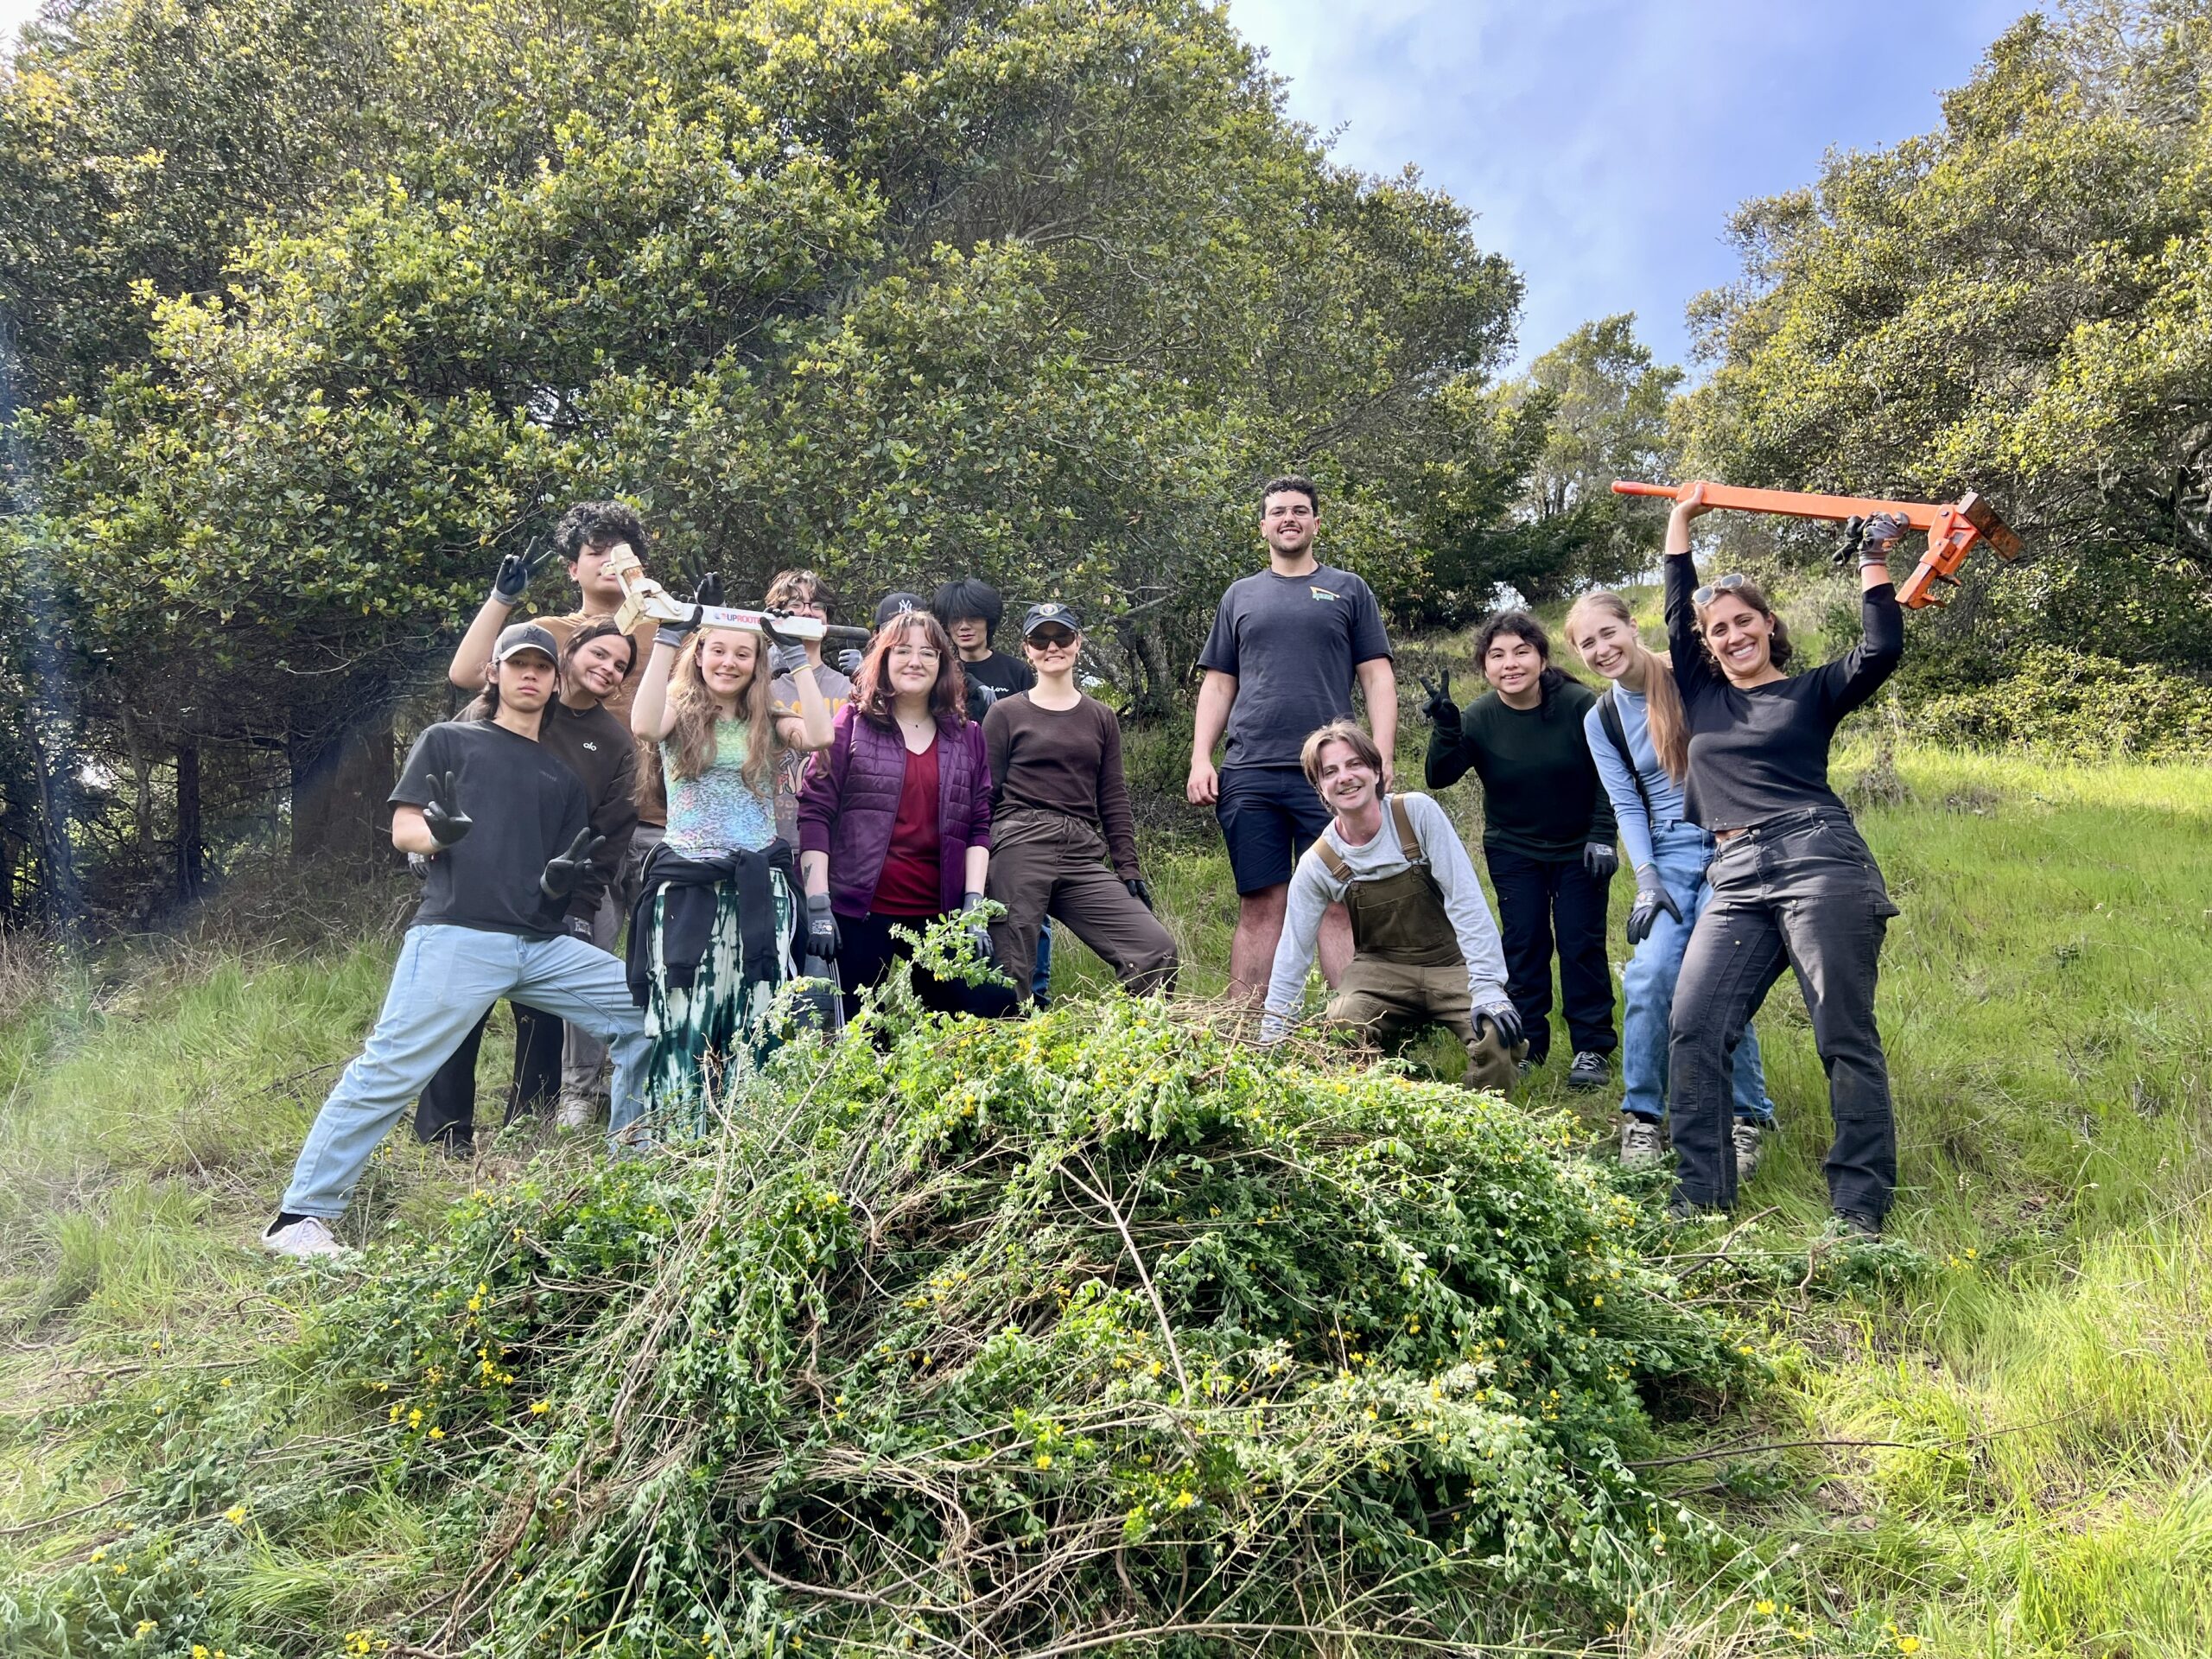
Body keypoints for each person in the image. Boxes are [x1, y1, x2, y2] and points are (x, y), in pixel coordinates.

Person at [262, 623, 649, 1258]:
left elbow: (564, 868)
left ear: (556, 682)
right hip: (458, 936)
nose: (530, 675)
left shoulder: (560, 780)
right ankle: (300, 1219)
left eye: (541, 668)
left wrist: (560, 886)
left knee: (648, 1014)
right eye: (517, 664)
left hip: (542, 943)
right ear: (494, 673)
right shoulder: (448, 741)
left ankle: (633, 1172)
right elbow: (406, 830)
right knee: (390, 1068)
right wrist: (438, 836)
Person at [1661, 486, 1907, 1235]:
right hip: (1732, 875)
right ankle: (1700, 1201)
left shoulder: (1811, 693)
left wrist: (1873, 559)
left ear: (1769, 625)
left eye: (1744, 621)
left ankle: (1860, 1207)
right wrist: (1681, 517)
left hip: (1817, 858)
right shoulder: (1700, 694)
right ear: (1706, 644)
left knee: (1842, 1032)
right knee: (1693, 1026)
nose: (1732, 636)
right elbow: (1676, 603)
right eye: (1719, 629)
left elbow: (1880, 650)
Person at [447, 502, 667, 1129]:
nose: (611, 560)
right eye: (597, 551)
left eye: (623, 549)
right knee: (584, 949)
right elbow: (467, 674)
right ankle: (579, 1091)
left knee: (658, 957)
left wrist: (648, 592)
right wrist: (501, 602)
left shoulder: (666, 624)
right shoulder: (554, 631)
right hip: (576, 825)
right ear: (573, 567)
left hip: (659, 819)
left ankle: (658, 1077)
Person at [1563, 591, 1776, 1172]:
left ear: (1634, 626)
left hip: (1735, 839)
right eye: (1588, 643)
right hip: (1671, 853)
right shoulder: (1601, 718)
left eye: (1609, 633)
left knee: (1716, 975)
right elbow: (1627, 804)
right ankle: (1643, 1118)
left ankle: (1746, 1117)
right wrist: (1648, 879)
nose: (1603, 649)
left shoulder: (1693, 673)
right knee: (1651, 976)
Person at [414, 620, 641, 1152]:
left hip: (554, 888)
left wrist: (581, 904)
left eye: (620, 666)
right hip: (475, 876)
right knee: (459, 1008)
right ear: (570, 655)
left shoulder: (614, 742)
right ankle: (445, 1133)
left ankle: (527, 1127)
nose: (607, 668)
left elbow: (610, 832)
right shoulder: (516, 706)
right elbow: (448, 781)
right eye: (599, 654)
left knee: (542, 1015)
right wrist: (430, 848)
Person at [1188, 475, 1396, 1003]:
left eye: (1300, 510)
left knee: (1336, 901)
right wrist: (1200, 757)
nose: (1289, 518)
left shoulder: (1350, 590)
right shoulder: (1240, 596)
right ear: (1263, 526)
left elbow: (1376, 676)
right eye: (1278, 511)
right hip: (1250, 770)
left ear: (1316, 523)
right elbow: (1218, 683)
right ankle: (1241, 1042)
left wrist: (1382, 755)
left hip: (1332, 775)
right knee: (1261, 903)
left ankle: (1355, 1038)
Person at [627, 603, 831, 1132]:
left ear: (758, 664)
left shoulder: (770, 719)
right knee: (686, 1014)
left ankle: (748, 1137)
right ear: (699, 656)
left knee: (758, 1014)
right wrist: (668, 638)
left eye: (743, 654)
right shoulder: (678, 708)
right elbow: (644, 724)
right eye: (716, 650)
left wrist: (798, 659)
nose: (728, 662)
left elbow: (822, 734)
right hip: (688, 885)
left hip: (758, 886)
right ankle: (682, 1138)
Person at [1261, 721, 1524, 1090]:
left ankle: (1476, 1119)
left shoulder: (1416, 814)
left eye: (1354, 765)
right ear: (1320, 788)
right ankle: (1381, 1104)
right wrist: (1272, 1038)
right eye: (1330, 772)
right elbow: (1293, 953)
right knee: (1340, 1025)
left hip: (1451, 964)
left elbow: (1467, 902)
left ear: (1376, 770)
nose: (1345, 778)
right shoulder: (1319, 861)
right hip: (1378, 974)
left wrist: (1488, 987)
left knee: (1495, 1032)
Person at [1421, 611, 1618, 1089]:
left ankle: (1592, 1048)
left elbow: (1609, 777)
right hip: (1514, 849)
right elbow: (1439, 776)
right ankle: (1530, 1044)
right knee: (1525, 944)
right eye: (1497, 655)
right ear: (1485, 667)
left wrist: (1602, 835)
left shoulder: (1579, 704)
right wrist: (1448, 727)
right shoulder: (1481, 716)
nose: (1510, 664)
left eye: (1521, 651)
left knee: (1580, 944)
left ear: (1542, 657)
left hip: (1580, 849)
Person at [797, 609, 1018, 1025]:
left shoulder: (968, 735)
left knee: (986, 1010)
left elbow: (978, 824)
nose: (915, 661)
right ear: (882, 659)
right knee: (859, 1038)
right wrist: (819, 906)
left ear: (942, 666)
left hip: (940, 914)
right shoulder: (851, 723)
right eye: (902, 651)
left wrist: (972, 905)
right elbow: (816, 812)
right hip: (858, 910)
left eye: (928, 653)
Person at [982, 601, 1177, 1001]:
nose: (1051, 647)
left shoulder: (1101, 716)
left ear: (1078, 643)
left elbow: (1113, 797)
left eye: (1062, 637)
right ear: (1026, 649)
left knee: (1154, 950)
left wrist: (1128, 868)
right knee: (1008, 970)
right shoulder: (1004, 714)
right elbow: (983, 796)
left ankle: (1135, 1050)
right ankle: (1004, 1054)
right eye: (1040, 639)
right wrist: (974, 871)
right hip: (1020, 841)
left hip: (1081, 852)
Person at [933, 576, 1055, 1001]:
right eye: (955, 618)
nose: (964, 626)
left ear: (990, 621)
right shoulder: (938, 671)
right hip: (953, 801)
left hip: (1010, 807)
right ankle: (967, 1003)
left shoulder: (1016, 670)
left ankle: (1033, 999)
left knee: (1024, 905)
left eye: (973, 617)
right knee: (963, 903)